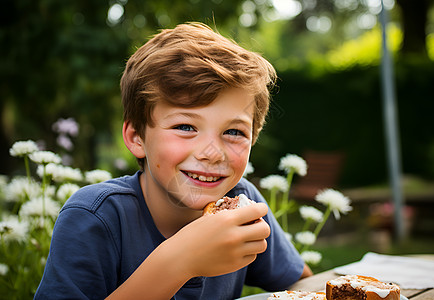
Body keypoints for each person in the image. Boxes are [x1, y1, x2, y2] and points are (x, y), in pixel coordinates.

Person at [35, 22, 312, 300]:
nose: (212, 153)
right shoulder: (95, 217)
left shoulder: (242, 204)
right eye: (185, 127)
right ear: (137, 137)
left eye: (233, 132)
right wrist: (179, 261)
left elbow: (303, 285)